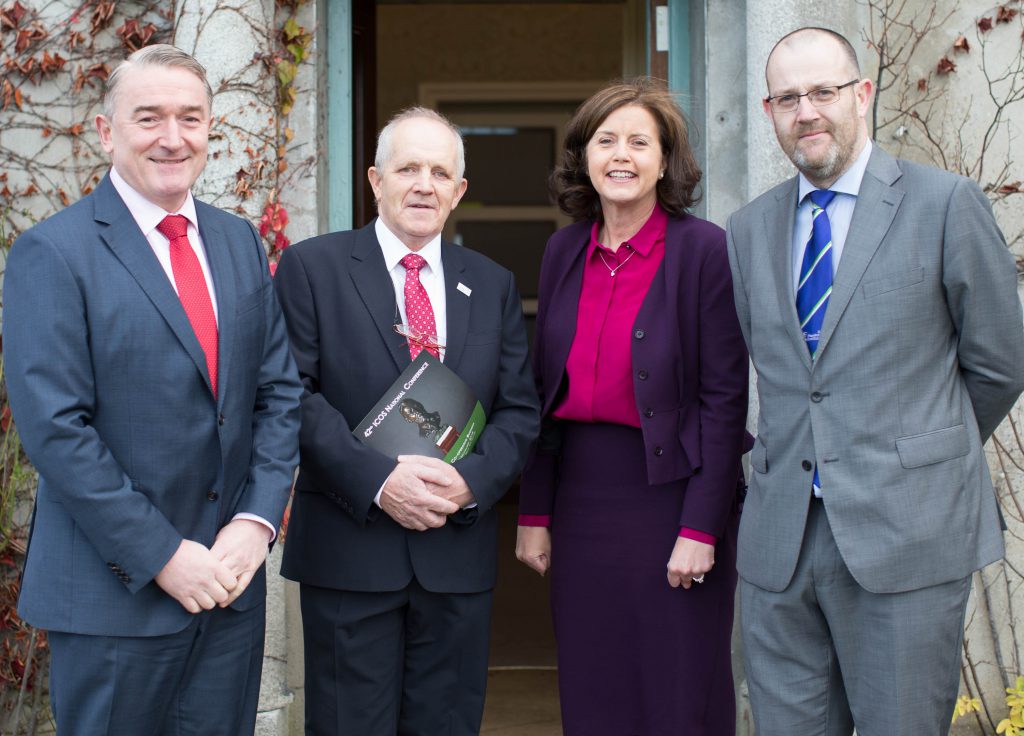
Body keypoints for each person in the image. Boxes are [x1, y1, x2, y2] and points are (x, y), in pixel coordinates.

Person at [726, 27, 1024, 736]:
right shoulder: (747, 228)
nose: (807, 112)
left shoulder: (944, 204)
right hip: (782, 545)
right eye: (789, 98)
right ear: (769, 111)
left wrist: (912, 454)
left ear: (861, 95)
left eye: (824, 91)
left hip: (906, 534)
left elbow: (1000, 363)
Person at [2, 44, 302, 735]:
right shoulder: (54, 253)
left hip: (229, 591)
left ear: (209, 129)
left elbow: (277, 396)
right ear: (107, 131)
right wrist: (165, 556)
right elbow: (56, 429)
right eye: (149, 118)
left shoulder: (236, 242)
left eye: (191, 118)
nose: (173, 138)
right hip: (116, 599)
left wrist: (255, 526)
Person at [273, 107, 539, 735]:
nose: (425, 184)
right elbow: (293, 396)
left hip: (456, 557)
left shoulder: (492, 283)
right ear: (375, 180)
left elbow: (519, 410)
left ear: (459, 191)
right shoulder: (313, 268)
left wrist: (473, 481)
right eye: (409, 168)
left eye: (441, 172)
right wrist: (378, 482)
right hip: (349, 554)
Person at [515, 77, 750, 735]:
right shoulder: (565, 250)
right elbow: (542, 392)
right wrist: (534, 511)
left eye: (639, 142)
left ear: (664, 159)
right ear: (585, 156)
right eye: (606, 140)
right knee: (595, 691)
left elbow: (724, 400)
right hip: (583, 505)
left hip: (672, 502)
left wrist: (701, 528)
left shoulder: (703, 251)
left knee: (678, 693)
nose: (621, 155)